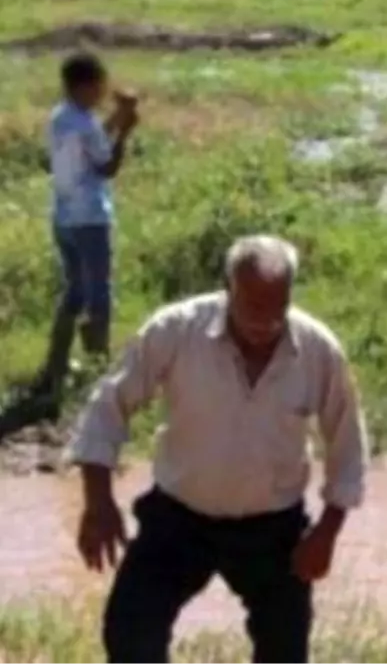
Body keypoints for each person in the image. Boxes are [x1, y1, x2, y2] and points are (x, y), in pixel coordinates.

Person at [67, 235, 369, 664]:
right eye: (252, 308)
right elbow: (108, 405)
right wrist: (98, 502)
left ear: (290, 297)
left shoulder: (319, 351)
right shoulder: (175, 331)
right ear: (228, 290)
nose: (265, 322)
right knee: (129, 634)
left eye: (276, 308)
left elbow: (347, 445)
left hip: (272, 529)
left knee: (285, 651)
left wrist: (327, 531)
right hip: (179, 519)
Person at [37, 51, 139, 398]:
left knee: (75, 290)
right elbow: (107, 166)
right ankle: (98, 364)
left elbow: (94, 138)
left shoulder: (61, 117)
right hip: (90, 218)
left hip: (63, 217)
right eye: (99, 86)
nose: (102, 92)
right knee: (99, 293)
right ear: (85, 86)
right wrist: (124, 131)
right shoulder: (83, 122)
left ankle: (57, 363)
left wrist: (115, 118)